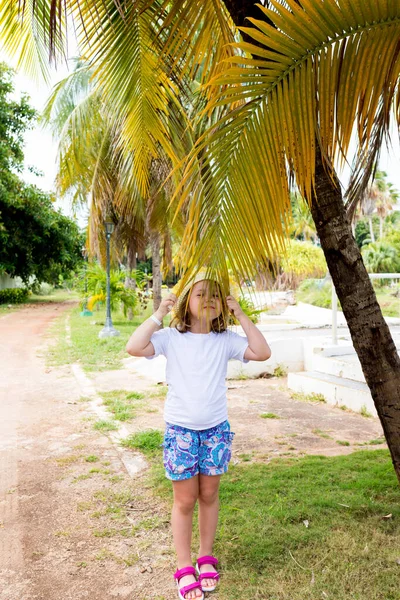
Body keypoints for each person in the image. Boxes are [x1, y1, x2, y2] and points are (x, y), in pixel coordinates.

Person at [126, 272, 271, 600]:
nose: (209, 300)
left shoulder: (227, 340)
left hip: (216, 431)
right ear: (186, 302)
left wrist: (241, 315)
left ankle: (205, 557)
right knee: (184, 500)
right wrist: (159, 313)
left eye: (216, 296)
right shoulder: (170, 338)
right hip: (181, 432)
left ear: (224, 305)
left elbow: (262, 353)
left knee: (208, 495)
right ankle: (183, 565)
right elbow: (134, 346)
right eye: (200, 294)